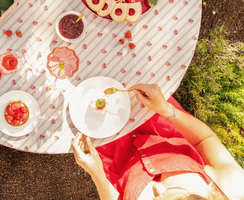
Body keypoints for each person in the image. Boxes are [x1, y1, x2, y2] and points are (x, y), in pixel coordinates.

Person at [72, 83, 244, 200]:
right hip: (157, 121)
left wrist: (97, 173)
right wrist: (167, 110)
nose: (157, 189)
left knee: (76, 105)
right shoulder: (232, 188)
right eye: (174, 193)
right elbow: (204, 140)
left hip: (115, 154)